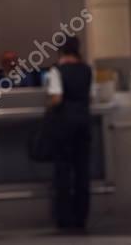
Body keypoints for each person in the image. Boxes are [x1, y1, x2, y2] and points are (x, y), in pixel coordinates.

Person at [46, 36, 92, 231]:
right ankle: (81, 217)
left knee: (63, 172)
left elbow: (56, 98)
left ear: (61, 51)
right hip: (83, 124)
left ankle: (64, 218)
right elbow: (90, 96)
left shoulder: (57, 70)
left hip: (64, 126)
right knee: (82, 171)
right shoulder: (87, 69)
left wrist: (47, 107)